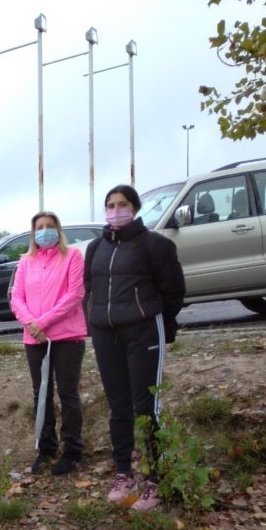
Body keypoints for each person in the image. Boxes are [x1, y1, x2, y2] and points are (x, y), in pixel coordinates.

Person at [84, 184, 186, 511]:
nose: (116, 210)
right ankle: (124, 474)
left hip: (143, 331)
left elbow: (173, 290)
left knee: (146, 405)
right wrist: (94, 317)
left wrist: (161, 323)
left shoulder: (154, 245)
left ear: (135, 207)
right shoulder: (96, 247)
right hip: (105, 334)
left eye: (122, 204)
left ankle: (157, 478)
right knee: (118, 405)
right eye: (110, 205)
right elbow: (90, 288)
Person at [10, 211, 87, 476]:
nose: (45, 231)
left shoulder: (72, 256)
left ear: (58, 229)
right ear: (33, 234)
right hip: (34, 338)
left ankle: (73, 450)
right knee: (40, 392)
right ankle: (46, 446)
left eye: (50, 226)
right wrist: (32, 323)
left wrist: (42, 323)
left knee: (68, 393)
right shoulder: (25, 262)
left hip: (66, 336)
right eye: (40, 227)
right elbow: (16, 297)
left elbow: (74, 294)